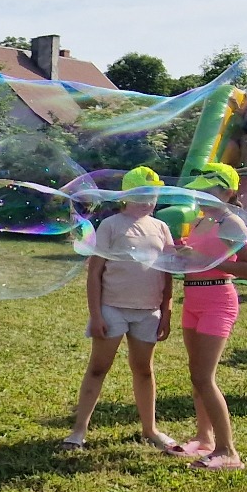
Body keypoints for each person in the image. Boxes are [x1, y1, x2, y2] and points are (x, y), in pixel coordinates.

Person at [65, 167, 176, 451]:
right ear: (124, 197)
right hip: (112, 308)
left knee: (144, 370)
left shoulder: (161, 227)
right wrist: (97, 314)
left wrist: (167, 309)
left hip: (147, 311)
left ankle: (150, 430)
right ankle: (79, 430)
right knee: (98, 368)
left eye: (151, 195)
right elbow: (94, 273)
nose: (147, 201)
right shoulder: (112, 225)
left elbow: (169, 271)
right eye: (140, 195)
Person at [164, 163, 247, 469]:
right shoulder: (200, 223)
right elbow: (196, 262)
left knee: (204, 376)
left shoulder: (231, 223)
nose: (202, 196)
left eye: (209, 191)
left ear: (228, 192)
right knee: (196, 374)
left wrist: (205, 260)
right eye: (199, 191)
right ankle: (204, 439)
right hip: (193, 297)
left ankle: (228, 451)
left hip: (218, 299)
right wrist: (182, 255)